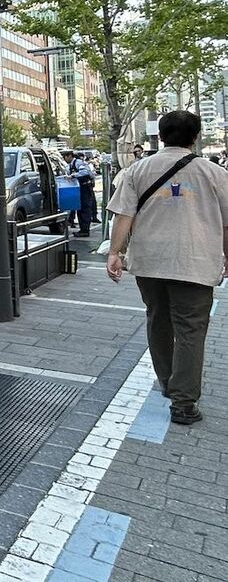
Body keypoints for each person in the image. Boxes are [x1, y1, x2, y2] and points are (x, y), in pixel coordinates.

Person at [106, 110, 228, 425]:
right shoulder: (214, 173)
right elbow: (227, 224)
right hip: (196, 261)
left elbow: (123, 216)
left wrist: (115, 252)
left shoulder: (138, 170)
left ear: (161, 136)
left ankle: (167, 383)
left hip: (150, 262)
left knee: (158, 320)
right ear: (196, 136)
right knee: (190, 329)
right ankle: (184, 403)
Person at [61, 149, 96, 236]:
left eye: (65, 156)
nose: (64, 159)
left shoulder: (78, 163)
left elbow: (85, 172)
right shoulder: (70, 165)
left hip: (85, 187)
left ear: (69, 156)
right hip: (78, 188)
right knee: (79, 209)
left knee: (85, 208)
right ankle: (82, 229)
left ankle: (85, 230)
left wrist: (73, 175)